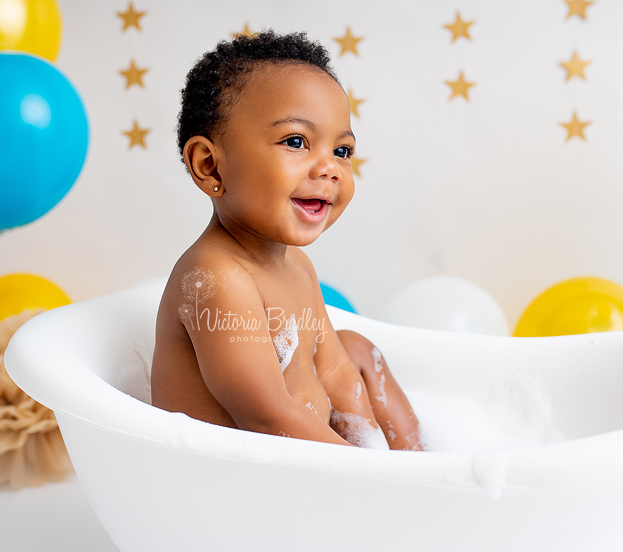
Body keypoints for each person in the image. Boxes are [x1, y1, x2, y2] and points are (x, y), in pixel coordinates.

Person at [151, 31, 423, 451]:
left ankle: (420, 461)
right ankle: (409, 482)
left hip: (309, 463)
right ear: (210, 166)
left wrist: (372, 452)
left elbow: (335, 373)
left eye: (342, 151)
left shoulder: (297, 265)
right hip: (241, 485)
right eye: (296, 141)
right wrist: (369, 476)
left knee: (355, 349)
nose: (330, 168)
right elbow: (266, 416)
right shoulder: (215, 278)